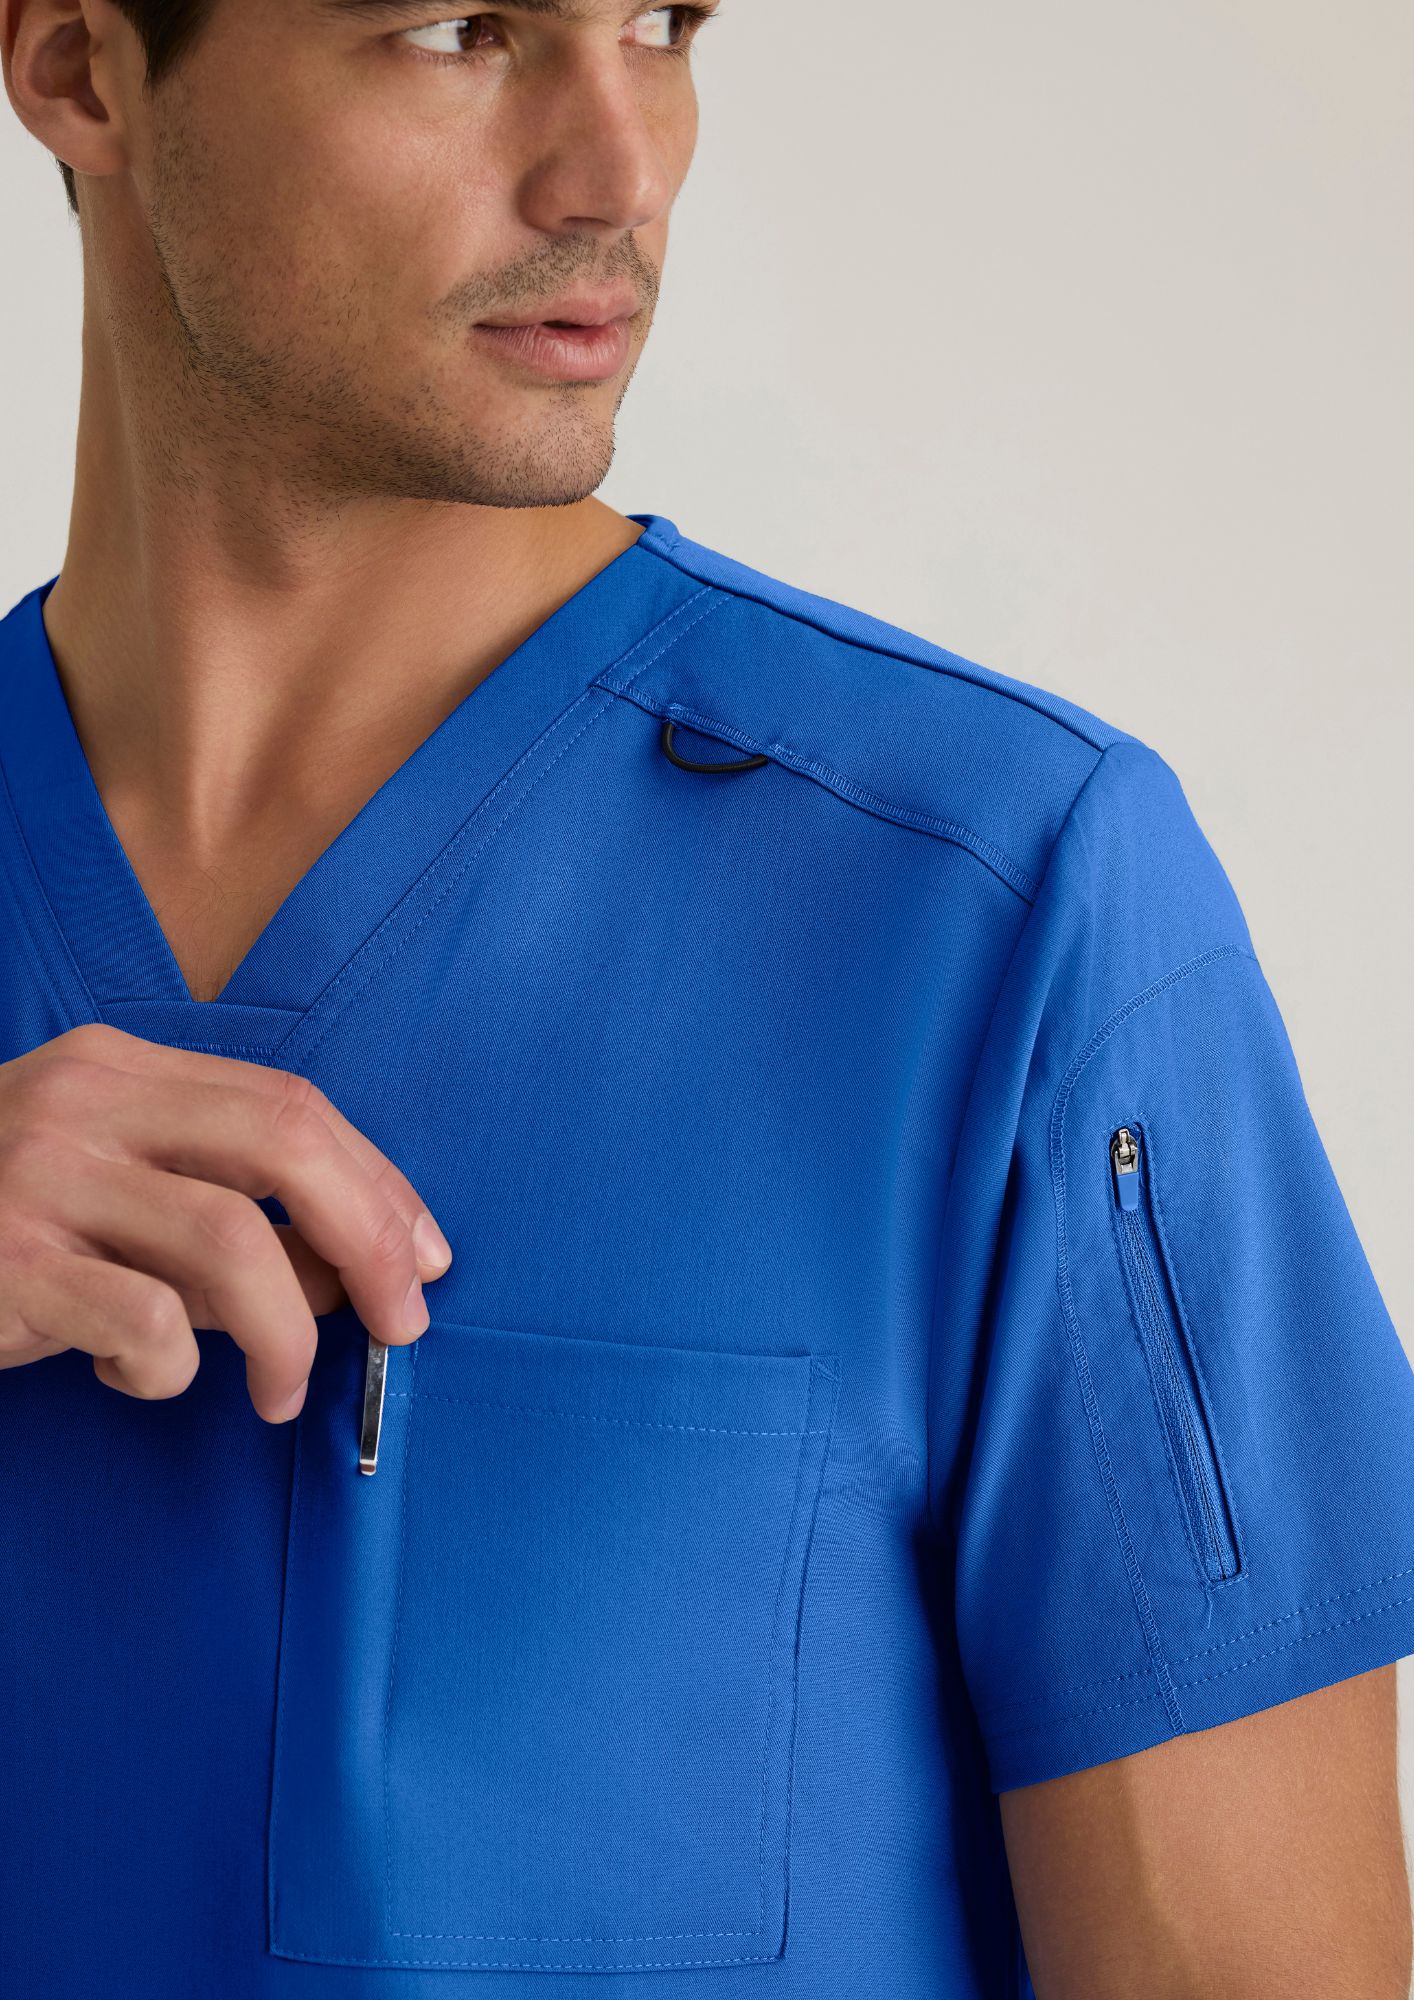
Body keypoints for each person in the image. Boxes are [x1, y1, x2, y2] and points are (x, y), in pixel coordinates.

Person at [2, 3, 1412, 1996]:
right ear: (81, 67)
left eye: (660, 26)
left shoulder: (1001, 906)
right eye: (460, 31)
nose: (620, 168)